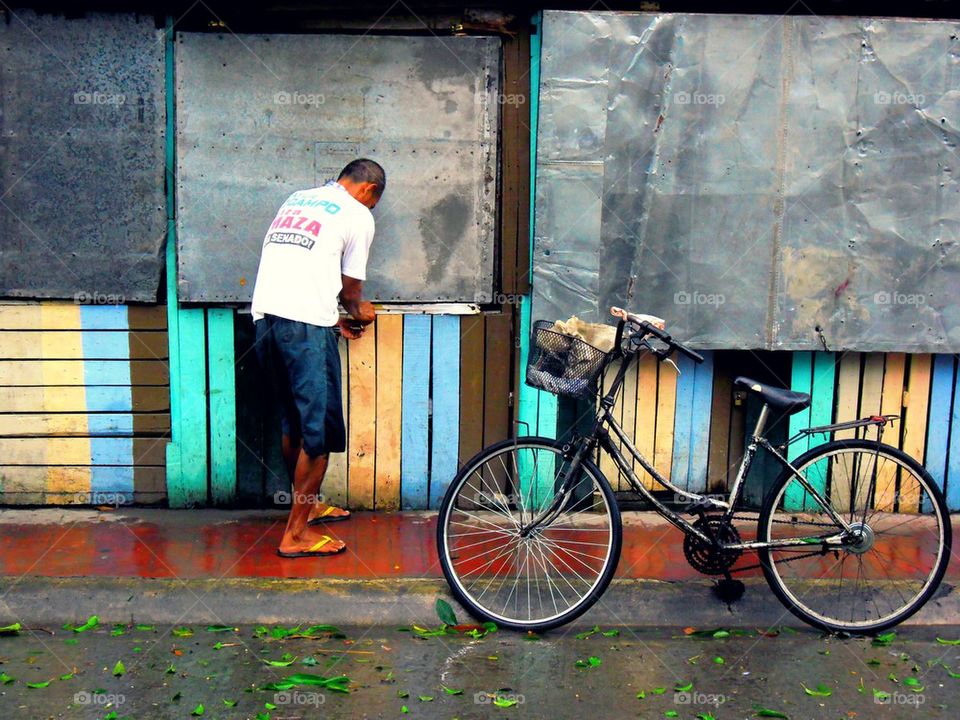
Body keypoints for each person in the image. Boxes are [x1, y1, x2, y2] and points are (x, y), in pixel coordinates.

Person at [251, 158, 385, 558]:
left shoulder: (298, 199)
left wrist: (328, 320)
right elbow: (351, 291)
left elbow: (301, 269)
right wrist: (360, 312)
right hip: (305, 329)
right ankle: (295, 534)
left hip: (266, 321)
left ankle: (307, 507)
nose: (371, 209)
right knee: (320, 435)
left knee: (294, 422)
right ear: (369, 191)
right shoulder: (357, 213)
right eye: (374, 203)